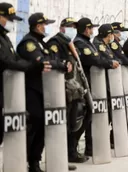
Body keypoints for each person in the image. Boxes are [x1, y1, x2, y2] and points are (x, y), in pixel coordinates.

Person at [17, 12, 72, 172]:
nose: (45, 27)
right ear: (38, 25)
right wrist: (59, 65)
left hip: (43, 89)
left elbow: (52, 60)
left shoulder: (40, 42)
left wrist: (61, 63)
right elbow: (43, 61)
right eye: (44, 25)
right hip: (30, 89)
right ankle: (27, 161)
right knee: (35, 123)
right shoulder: (29, 43)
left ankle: (35, 160)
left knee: (42, 125)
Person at [0, 2, 51, 148]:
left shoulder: (5, 38)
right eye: (8, 19)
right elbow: (6, 61)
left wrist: (29, 65)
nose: (11, 23)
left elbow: (15, 59)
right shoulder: (26, 41)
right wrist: (32, 65)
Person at [47, 17, 88, 165]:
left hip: (75, 89)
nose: (72, 29)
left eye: (74, 26)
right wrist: (63, 64)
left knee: (76, 121)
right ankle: (63, 156)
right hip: (63, 91)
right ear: (62, 27)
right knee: (66, 124)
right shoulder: (55, 43)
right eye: (69, 26)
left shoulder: (69, 43)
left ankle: (70, 152)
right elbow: (54, 62)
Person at [73, 18, 117, 156]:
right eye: (91, 28)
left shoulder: (87, 43)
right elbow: (92, 59)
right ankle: (74, 149)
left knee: (90, 117)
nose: (92, 31)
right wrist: (109, 63)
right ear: (86, 29)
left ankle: (89, 147)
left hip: (92, 83)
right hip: (84, 84)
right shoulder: (80, 43)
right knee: (84, 118)